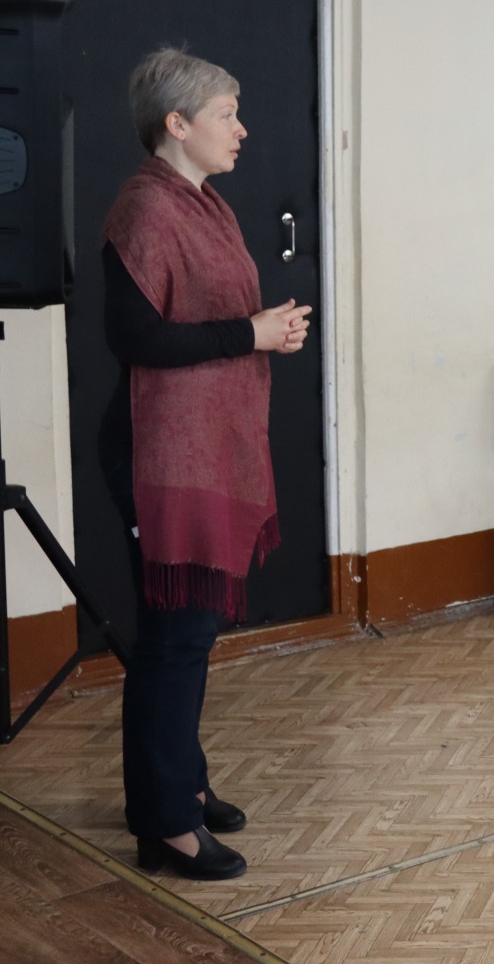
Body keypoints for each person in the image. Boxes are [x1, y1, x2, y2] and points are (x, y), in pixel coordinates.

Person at [105, 49, 313, 881]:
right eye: (227, 114)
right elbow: (136, 339)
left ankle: (181, 785)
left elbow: (211, 320)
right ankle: (165, 826)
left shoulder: (203, 203)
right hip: (158, 449)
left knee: (187, 632)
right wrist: (247, 335)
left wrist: (264, 332)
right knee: (174, 635)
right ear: (177, 123)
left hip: (200, 443)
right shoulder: (146, 209)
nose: (242, 129)